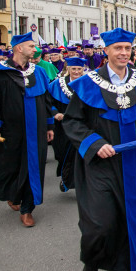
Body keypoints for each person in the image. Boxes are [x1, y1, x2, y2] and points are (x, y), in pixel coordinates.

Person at [63, 28, 136, 271]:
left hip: (133, 163)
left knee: (128, 223)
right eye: (117, 48)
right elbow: (73, 122)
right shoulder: (88, 83)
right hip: (99, 166)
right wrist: (95, 144)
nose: (123, 53)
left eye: (127, 48)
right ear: (105, 51)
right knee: (100, 224)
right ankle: (91, 262)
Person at [0, 32, 54, 228]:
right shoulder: (0, 72)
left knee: (34, 167)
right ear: (19, 48)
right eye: (31, 46)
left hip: (36, 130)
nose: (35, 49)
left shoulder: (38, 72)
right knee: (10, 165)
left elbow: (47, 100)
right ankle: (13, 195)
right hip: (11, 131)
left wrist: (49, 125)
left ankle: (27, 208)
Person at [49, 57, 87, 192]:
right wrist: (55, 113)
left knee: (79, 154)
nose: (76, 72)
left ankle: (77, 182)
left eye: (79, 69)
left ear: (83, 69)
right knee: (62, 153)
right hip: (62, 126)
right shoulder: (57, 85)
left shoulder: (88, 84)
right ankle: (65, 178)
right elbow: (48, 103)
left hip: (82, 125)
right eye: (73, 69)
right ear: (68, 69)